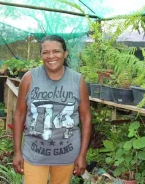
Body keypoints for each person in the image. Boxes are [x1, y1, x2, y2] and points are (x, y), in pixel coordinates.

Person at [13, 34, 92, 184]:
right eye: (45, 52)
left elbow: (86, 117)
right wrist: (17, 152)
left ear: (65, 53)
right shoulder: (29, 79)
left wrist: (82, 154)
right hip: (34, 152)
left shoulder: (77, 80)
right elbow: (19, 115)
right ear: (41, 55)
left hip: (67, 152)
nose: (51, 56)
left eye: (56, 51)